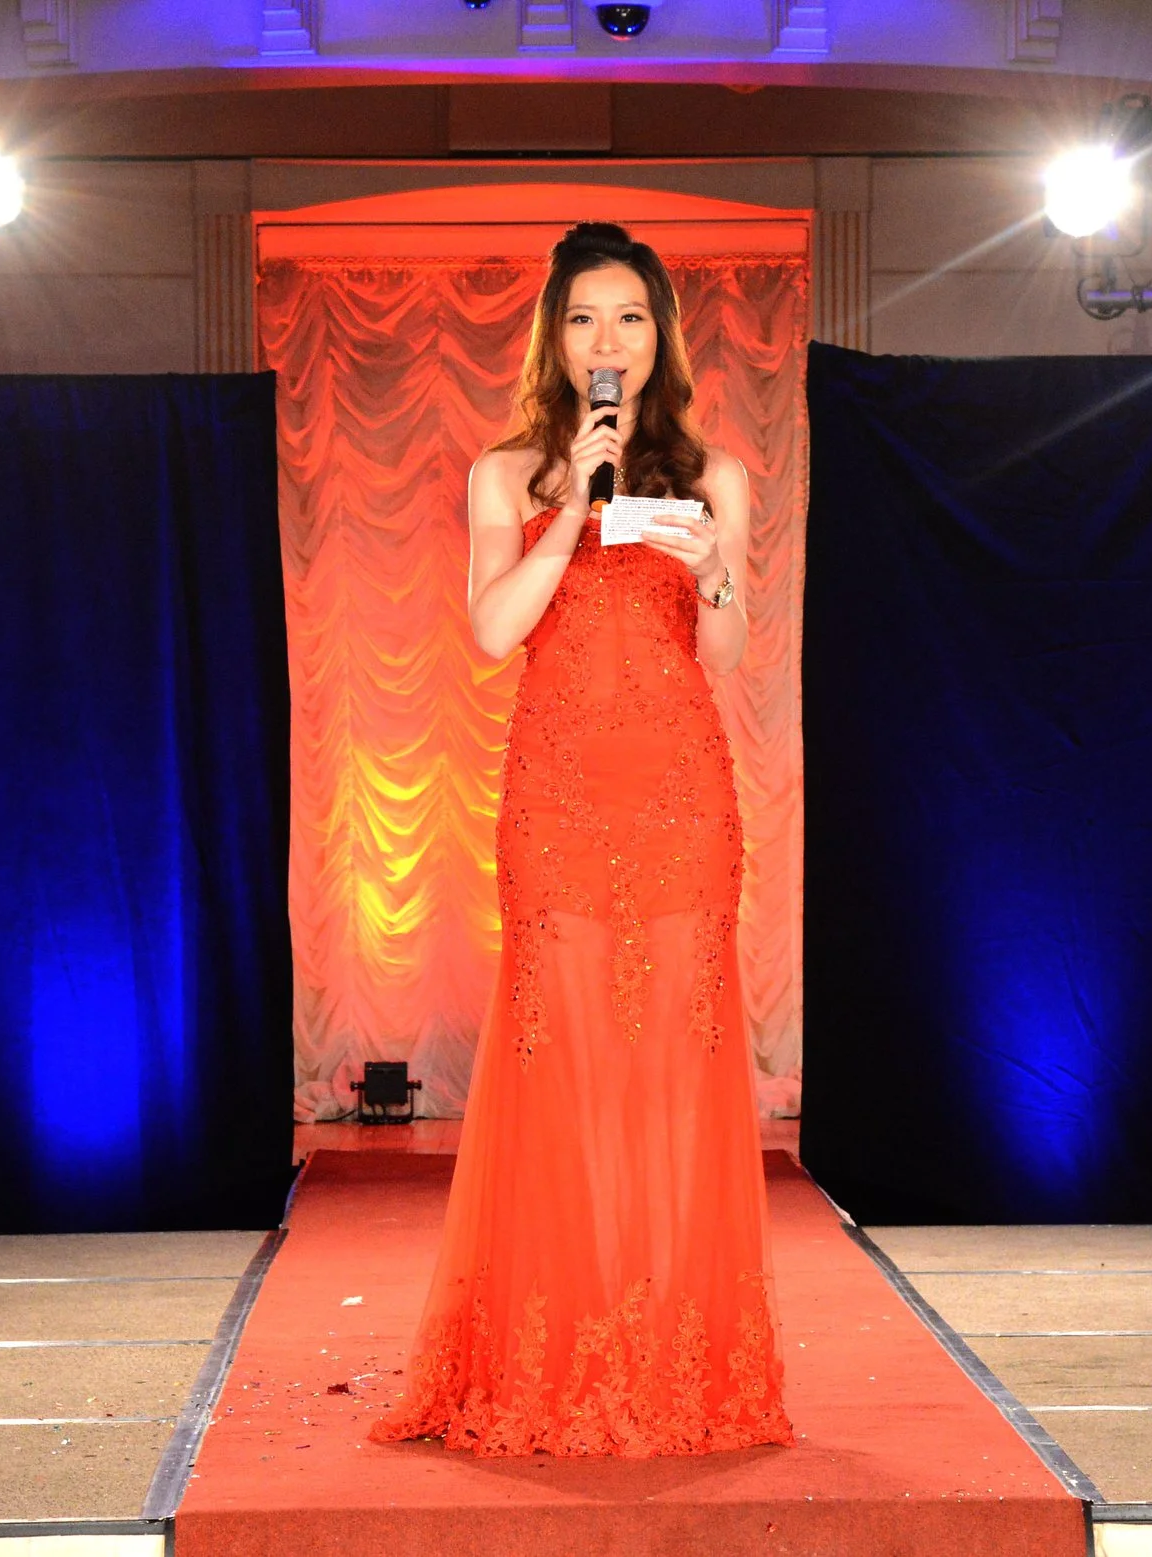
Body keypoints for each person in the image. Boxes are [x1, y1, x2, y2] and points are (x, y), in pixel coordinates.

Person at [369, 221, 792, 1458]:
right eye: (584, 319)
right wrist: (575, 510)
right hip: (555, 796)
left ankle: (671, 1350)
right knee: (562, 1069)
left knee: (671, 1072)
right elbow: (494, 633)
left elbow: (723, 659)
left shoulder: (717, 477)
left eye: (632, 319)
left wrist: (714, 567)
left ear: (663, 337)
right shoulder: (507, 473)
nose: (609, 342)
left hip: (677, 794)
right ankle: (553, 1349)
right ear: (554, 340)